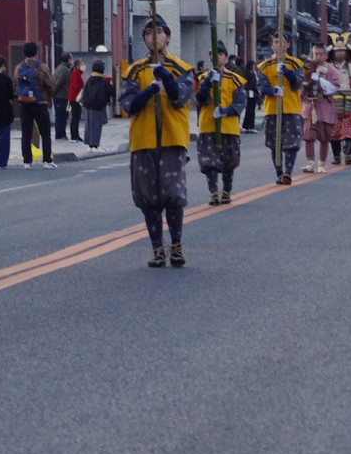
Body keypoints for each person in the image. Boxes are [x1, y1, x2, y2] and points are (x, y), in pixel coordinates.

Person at [118, 17, 194, 267]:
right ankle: (157, 249)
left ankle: (176, 246)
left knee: (173, 195)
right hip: (144, 141)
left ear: (168, 37)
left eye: (159, 31)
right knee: (148, 199)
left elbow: (180, 98)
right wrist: (149, 90)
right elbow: (127, 105)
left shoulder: (182, 68)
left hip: (172, 140)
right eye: (149, 33)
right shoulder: (134, 71)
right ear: (144, 40)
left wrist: (167, 79)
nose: (154, 37)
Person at [195, 41, 247, 203]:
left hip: (228, 126)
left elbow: (240, 102)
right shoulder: (203, 77)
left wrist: (225, 111)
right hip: (208, 125)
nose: (217, 57)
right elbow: (200, 99)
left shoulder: (235, 79)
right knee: (209, 161)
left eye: (221, 54)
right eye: (214, 54)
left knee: (229, 161)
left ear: (225, 57)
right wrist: (209, 81)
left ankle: (226, 190)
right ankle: (213, 191)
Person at [256, 33, 304, 184]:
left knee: (292, 143)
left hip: (291, 108)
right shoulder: (264, 66)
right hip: (272, 109)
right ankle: (279, 173)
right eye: (276, 42)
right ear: (272, 45)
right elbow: (260, 86)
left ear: (288, 44)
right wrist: (273, 91)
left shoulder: (296, 63)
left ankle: (288, 172)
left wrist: (287, 72)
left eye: (283, 42)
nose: (280, 45)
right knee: (274, 143)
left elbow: (297, 84)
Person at [14, 42, 56, 169]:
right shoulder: (42, 67)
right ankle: (47, 160)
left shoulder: (19, 68)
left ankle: (27, 161)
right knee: (45, 133)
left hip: (24, 103)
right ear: (36, 52)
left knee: (26, 133)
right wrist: (48, 97)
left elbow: (15, 85)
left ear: (24, 53)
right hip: (40, 103)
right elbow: (51, 85)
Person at [300, 44, 341, 173]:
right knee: (308, 135)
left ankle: (322, 163)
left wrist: (319, 80)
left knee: (324, 136)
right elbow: (300, 85)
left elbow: (335, 87)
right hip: (309, 105)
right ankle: (310, 163)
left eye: (320, 54)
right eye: (315, 54)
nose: (317, 56)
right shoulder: (307, 67)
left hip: (324, 105)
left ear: (326, 55)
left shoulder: (331, 70)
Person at [327, 38, 351, 165]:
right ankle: (336, 156)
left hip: (349, 101)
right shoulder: (328, 67)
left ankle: (348, 155)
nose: (340, 53)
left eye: (342, 50)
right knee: (333, 132)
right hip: (332, 103)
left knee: (349, 131)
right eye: (337, 51)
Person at [79, 59, 115, 150]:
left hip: (88, 106)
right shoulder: (103, 80)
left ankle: (89, 145)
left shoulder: (90, 78)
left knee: (89, 126)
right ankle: (94, 145)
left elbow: (85, 91)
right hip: (98, 106)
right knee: (96, 126)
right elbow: (111, 91)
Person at [52, 52, 73, 140]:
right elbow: (59, 83)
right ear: (68, 60)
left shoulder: (60, 68)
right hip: (61, 96)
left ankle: (61, 134)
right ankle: (60, 135)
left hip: (62, 96)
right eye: (71, 59)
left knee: (62, 115)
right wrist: (53, 93)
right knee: (62, 116)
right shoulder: (64, 70)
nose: (72, 61)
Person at [67, 56, 86, 142]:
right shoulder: (76, 74)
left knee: (75, 117)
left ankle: (75, 135)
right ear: (77, 65)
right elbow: (77, 87)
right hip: (75, 98)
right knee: (75, 117)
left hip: (74, 97)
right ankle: (74, 135)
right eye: (82, 64)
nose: (83, 66)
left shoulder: (76, 73)